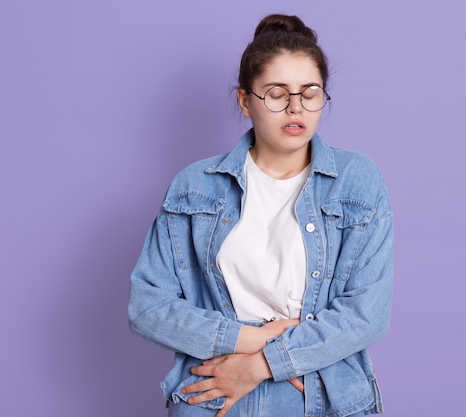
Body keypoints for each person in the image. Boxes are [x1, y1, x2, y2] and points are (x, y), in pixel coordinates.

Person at [128, 13, 394, 417]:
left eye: (310, 92)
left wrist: (261, 364)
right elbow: (146, 308)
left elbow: (366, 315)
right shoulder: (194, 187)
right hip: (215, 395)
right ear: (244, 101)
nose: (295, 107)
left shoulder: (357, 182)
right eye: (276, 93)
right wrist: (249, 338)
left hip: (325, 398)